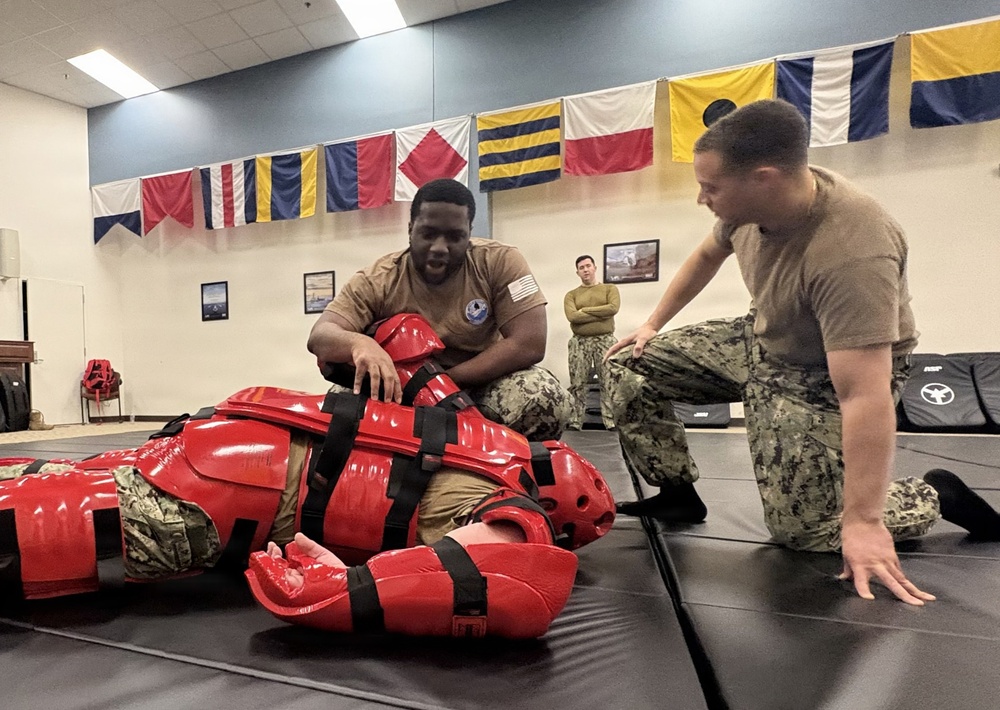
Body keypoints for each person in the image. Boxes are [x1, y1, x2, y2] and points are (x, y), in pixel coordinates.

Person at [606, 99, 1000, 606]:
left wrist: (864, 520)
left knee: (810, 531)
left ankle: (935, 493)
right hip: (763, 337)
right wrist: (652, 324)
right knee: (628, 365)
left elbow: (864, 394)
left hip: (821, 374)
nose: (701, 198)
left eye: (711, 187)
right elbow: (707, 254)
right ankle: (677, 494)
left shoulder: (851, 250)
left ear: (764, 179)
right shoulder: (747, 208)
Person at [0, 314, 615, 638]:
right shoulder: (490, 455)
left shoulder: (476, 438)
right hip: (216, 467)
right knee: (44, 493)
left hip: (222, 469)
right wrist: (344, 590)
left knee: (44, 510)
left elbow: (517, 590)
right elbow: (513, 583)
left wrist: (343, 592)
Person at [307, 178, 570, 442]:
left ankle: (514, 477)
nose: (439, 248)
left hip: (479, 386)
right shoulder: (378, 279)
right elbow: (321, 335)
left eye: (455, 237)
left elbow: (530, 343)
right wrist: (360, 344)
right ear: (410, 230)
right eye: (429, 234)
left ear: (469, 233)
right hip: (400, 393)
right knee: (334, 416)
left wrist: (439, 387)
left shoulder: (500, 261)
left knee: (544, 396)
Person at [564, 255, 619, 430]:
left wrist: (585, 310)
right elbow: (572, 316)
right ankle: (575, 421)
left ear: (595, 267)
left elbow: (612, 308)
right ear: (577, 272)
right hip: (579, 343)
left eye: (588, 266)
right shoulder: (571, 295)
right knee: (577, 382)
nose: (585, 270)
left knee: (608, 381)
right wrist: (600, 313)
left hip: (606, 341)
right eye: (582, 267)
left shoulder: (609, 288)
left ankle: (610, 421)